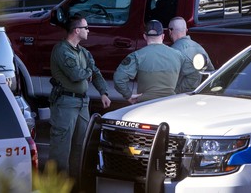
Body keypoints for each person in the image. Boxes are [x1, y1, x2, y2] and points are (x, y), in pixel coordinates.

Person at [48, 14, 111, 179]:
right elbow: (76, 74)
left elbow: (95, 73)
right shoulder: (62, 50)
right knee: (61, 149)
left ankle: (75, 185)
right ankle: (57, 186)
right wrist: (88, 72)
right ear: (76, 30)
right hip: (65, 103)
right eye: (86, 27)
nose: (89, 31)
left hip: (82, 103)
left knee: (80, 147)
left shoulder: (84, 52)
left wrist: (103, 92)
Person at [113, 20, 184, 104]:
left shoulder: (137, 56)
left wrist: (128, 95)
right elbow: (188, 77)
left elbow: (118, 79)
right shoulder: (178, 55)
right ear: (163, 36)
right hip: (169, 103)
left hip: (144, 104)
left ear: (144, 36)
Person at [168, 16, 215, 93]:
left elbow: (167, 79)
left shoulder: (173, 51)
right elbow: (210, 72)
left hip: (177, 96)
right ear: (186, 30)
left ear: (170, 31)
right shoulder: (199, 48)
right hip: (197, 94)